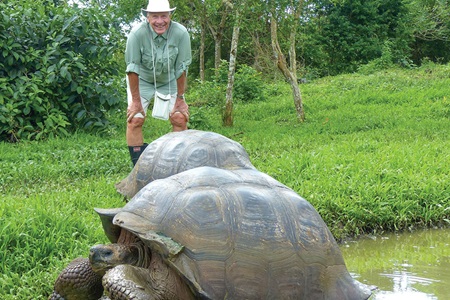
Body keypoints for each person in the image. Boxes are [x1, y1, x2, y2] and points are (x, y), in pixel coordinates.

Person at [125, 0, 192, 165]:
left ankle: (176, 164)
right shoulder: (136, 34)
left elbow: (181, 68)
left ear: (170, 16)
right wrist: (136, 101)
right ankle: (138, 167)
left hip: (169, 79)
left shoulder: (181, 33)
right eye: (155, 16)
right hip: (142, 80)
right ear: (148, 17)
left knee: (180, 117)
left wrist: (180, 99)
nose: (160, 21)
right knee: (135, 119)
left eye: (164, 16)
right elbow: (132, 69)